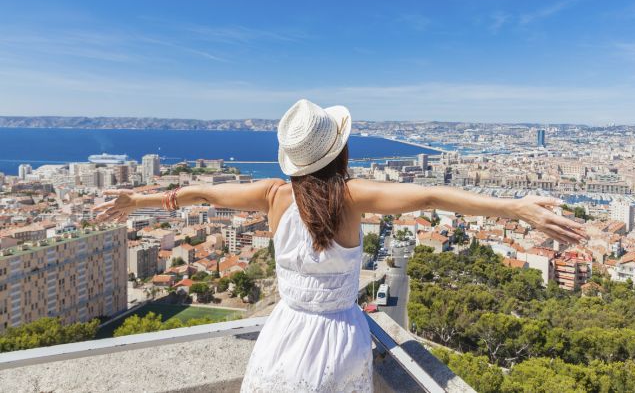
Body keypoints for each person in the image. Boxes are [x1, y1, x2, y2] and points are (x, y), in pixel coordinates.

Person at [94, 99, 587, 392]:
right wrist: (514, 207)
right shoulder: (350, 198)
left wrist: (136, 200)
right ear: (340, 150)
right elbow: (433, 196)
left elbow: (195, 193)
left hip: (282, 332)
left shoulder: (272, 195)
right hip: (338, 337)